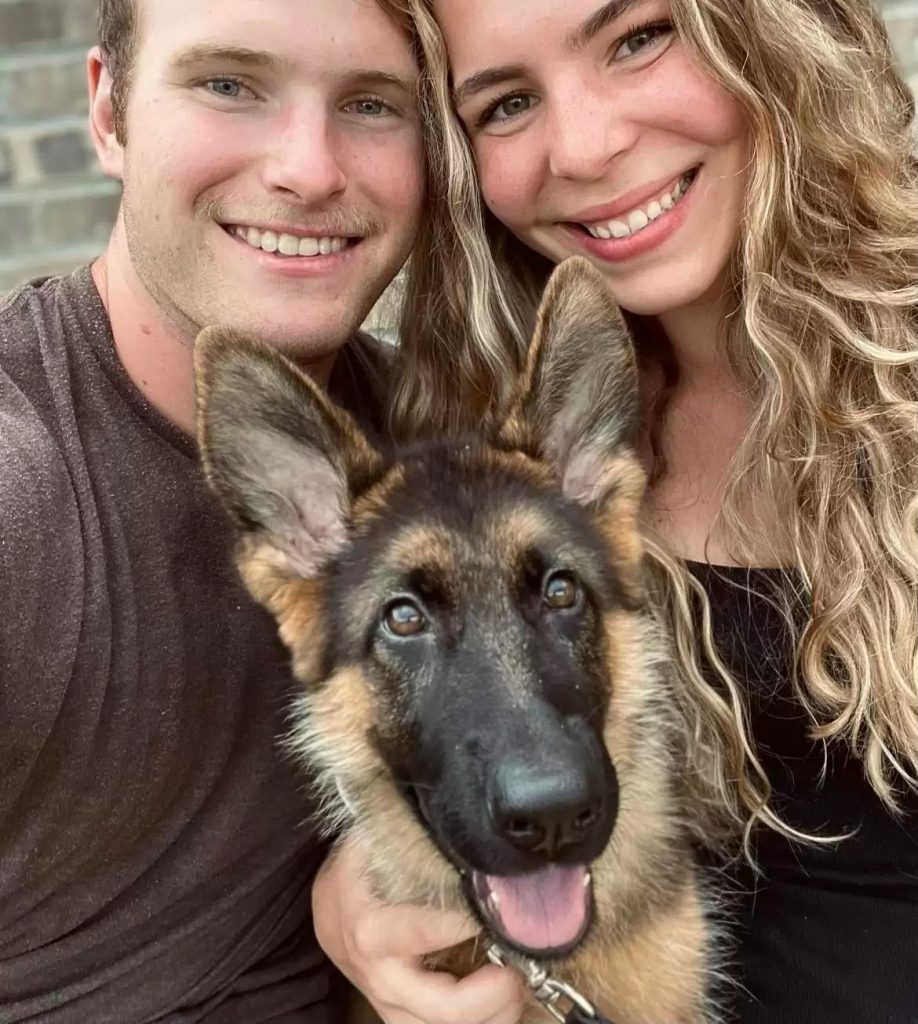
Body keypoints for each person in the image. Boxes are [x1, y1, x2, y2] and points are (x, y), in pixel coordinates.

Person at [313, 0, 918, 1021]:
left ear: (769, 28)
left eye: (639, 37)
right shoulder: (493, 444)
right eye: (506, 104)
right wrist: (360, 884)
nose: (587, 147)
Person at [0, 0, 517, 1020]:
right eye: (230, 85)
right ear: (109, 113)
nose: (310, 169)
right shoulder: (25, 496)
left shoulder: (448, 457)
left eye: (373, 104)